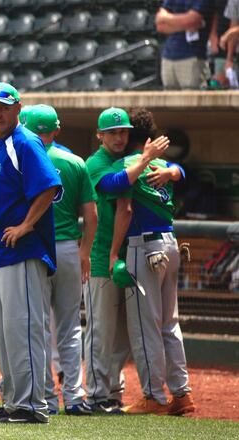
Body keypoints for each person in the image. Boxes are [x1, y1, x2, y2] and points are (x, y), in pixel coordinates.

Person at [0, 82, 62, 424]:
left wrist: (27, 225)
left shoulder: (25, 142)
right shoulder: (2, 145)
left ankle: (32, 404)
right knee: (7, 333)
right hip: (2, 255)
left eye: (3, 106)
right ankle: (15, 401)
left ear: (17, 108)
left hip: (23, 252)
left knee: (24, 329)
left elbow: (49, 186)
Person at [83, 107, 171, 414]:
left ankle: (113, 392)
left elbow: (173, 171)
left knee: (121, 333)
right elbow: (116, 185)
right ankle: (95, 394)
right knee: (101, 329)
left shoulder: (129, 158)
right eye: (112, 133)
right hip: (101, 257)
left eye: (123, 132)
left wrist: (172, 170)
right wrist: (146, 159)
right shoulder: (95, 162)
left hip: (128, 255)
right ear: (100, 136)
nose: (119, 137)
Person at [107, 107, 193, 416]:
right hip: (170, 245)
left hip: (144, 247)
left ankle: (154, 396)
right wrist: (171, 172)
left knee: (146, 327)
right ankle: (182, 394)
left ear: (129, 134)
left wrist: (114, 253)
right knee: (169, 324)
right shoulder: (163, 165)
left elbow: (112, 189)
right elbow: (181, 171)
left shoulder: (130, 163)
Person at [24, 105, 98, 416]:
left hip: (36, 249)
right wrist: (85, 251)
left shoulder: (25, 160)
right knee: (70, 327)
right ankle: (76, 397)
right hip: (69, 248)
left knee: (38, 327)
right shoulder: (75, 161)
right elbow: (91, 215)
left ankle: (46, 400)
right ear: (56, 129)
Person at [156, 0, 212, 89]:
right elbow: (160, 24)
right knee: (169, 101)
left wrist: (167, 18)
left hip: (193, 57)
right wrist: (184, 23)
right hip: (168, 57)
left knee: (192, 101)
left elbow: (193, 20)